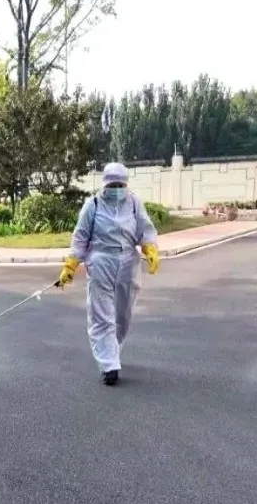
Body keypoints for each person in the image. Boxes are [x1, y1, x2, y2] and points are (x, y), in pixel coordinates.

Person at [58, 162, 160, 386]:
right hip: (101, 260)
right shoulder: (93, 205)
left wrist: (150, 248)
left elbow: (145, 229)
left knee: (123, 315)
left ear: (126, 184)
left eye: (120, 185)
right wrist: (71, 265)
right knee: (101, 315)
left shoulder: (134, 203)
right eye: (112, 185)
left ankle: (113, 350)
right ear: (104, 184)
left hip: (128, 261)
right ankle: (109, 365)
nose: (116, 189)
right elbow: (80, 237)